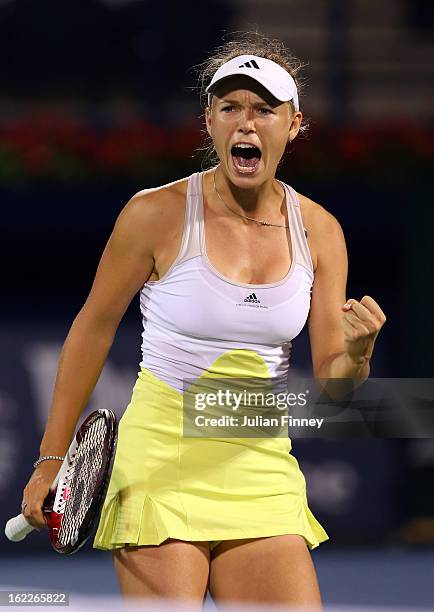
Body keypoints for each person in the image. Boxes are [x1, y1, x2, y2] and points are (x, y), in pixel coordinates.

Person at [21, 32, 386, 609]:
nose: (246, 124)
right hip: (160, 461)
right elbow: (92, 328)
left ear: (293, 126)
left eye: (264, 110)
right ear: (209, 123)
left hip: (260, 464)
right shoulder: (153, 215)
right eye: (230, 108)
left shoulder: (322, 232)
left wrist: (358, 356)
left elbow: (332, 386)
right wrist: (50, 458)